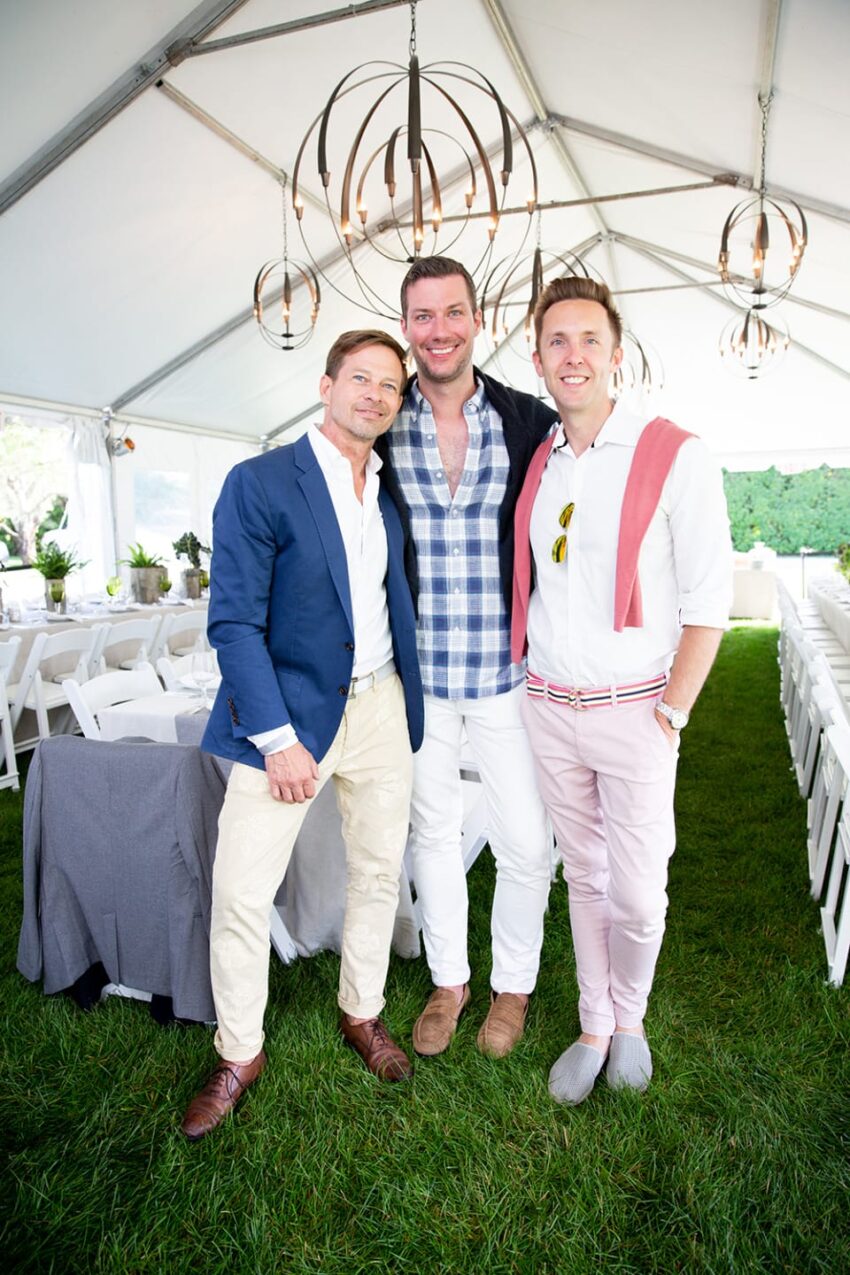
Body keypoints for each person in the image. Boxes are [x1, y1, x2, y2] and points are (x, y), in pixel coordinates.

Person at [181, 330, 424, 1141]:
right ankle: (238, 1051)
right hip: (289, 718)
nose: (376, 395)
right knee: (243, 890)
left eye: (391, 386)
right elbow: (234, 623)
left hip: (382, 707)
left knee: (379, 873)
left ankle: (363, 1011)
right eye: (361, 378)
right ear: (326, 386)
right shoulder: (259, 482)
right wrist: (278, 737)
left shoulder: (386, 492)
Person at [511, 276, 732, 1104]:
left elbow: (710, 604)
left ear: (617, 353)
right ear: (539, 360)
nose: (574, 355)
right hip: (551, 709)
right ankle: (595, 1021)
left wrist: (671, 710)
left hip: (637, 709)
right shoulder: (544, 461)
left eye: (589, 340)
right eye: (557, 342)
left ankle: (631, 1016)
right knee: (587, 874)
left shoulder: (674, 452)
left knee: (639, 889)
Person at [375, 256, 557, 1060]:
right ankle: (450, 980)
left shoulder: (527, 420)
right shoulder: (381, 422)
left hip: (506, 674)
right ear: (406, 325)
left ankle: (512, 986)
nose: (438, 329)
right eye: (422, 315)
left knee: (524, 838)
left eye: (453, 312)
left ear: (477, 320)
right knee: (433, 834)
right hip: (420, 680)